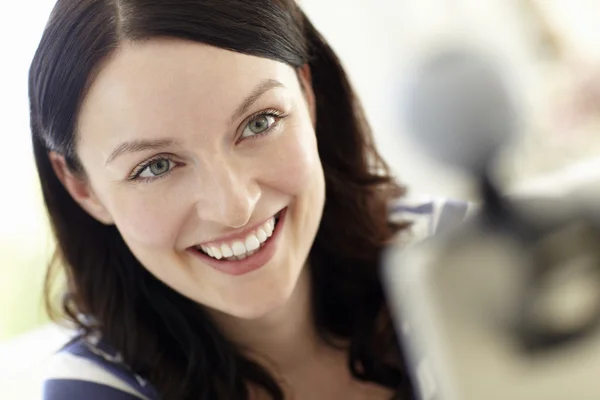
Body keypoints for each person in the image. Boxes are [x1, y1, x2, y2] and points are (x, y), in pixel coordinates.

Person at [29, 0, 425, 398]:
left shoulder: (456, 255)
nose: (234, 207)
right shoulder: (91, 390)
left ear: (307, 95)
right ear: (83, 188)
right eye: (157, 166)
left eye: (259, 122)